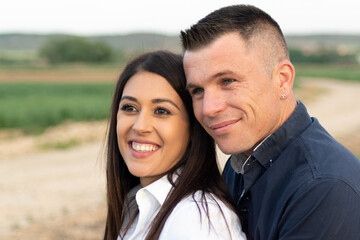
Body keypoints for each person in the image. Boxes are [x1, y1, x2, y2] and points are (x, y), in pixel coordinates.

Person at [181, 4, 360, 240]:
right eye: (197, 91)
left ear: (282, 80)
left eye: (227, 81)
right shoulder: (242, 163)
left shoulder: (322, 188)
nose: (209, 108)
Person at [103, 50, 247, 240]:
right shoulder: (137, 205)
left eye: (161, 111)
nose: (140, 126)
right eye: (129, 108)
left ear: (193, 129)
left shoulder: (196, 221)